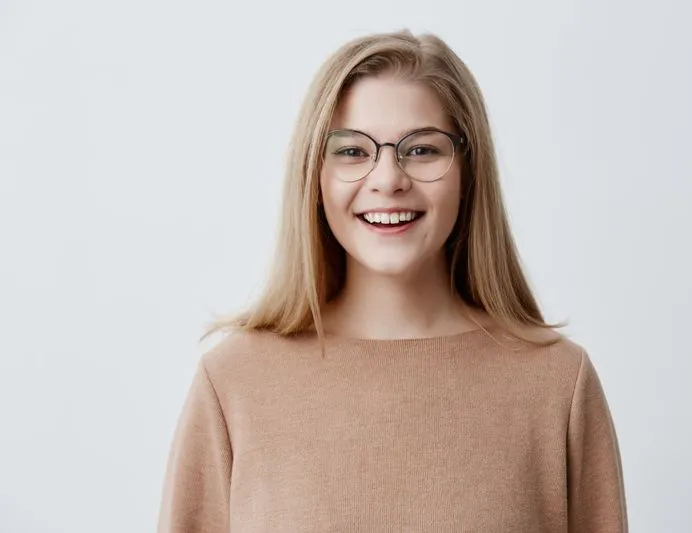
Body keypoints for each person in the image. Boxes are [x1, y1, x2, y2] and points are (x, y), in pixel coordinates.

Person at [157, 30, 628, 532]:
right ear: (313, 176)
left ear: (469, 172)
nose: (388, 178)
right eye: (353, 152)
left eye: (422, 150)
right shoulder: (234, 383)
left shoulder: (557, 383)